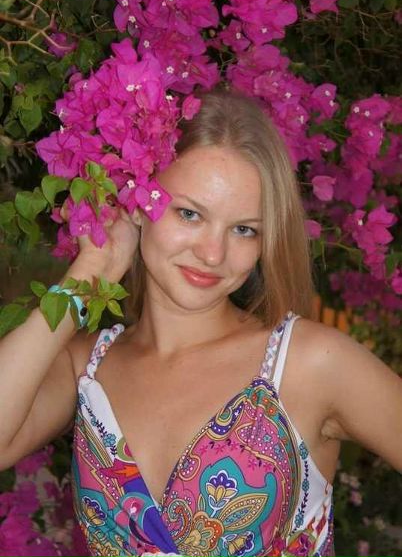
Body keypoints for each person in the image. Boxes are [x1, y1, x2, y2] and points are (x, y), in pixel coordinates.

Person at [0, 88, 401, 557]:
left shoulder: (310, 363)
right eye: (189, 214)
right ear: (138, 204)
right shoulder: (87, 367)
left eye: (244, 229)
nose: (213, 254)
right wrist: (88, 274)